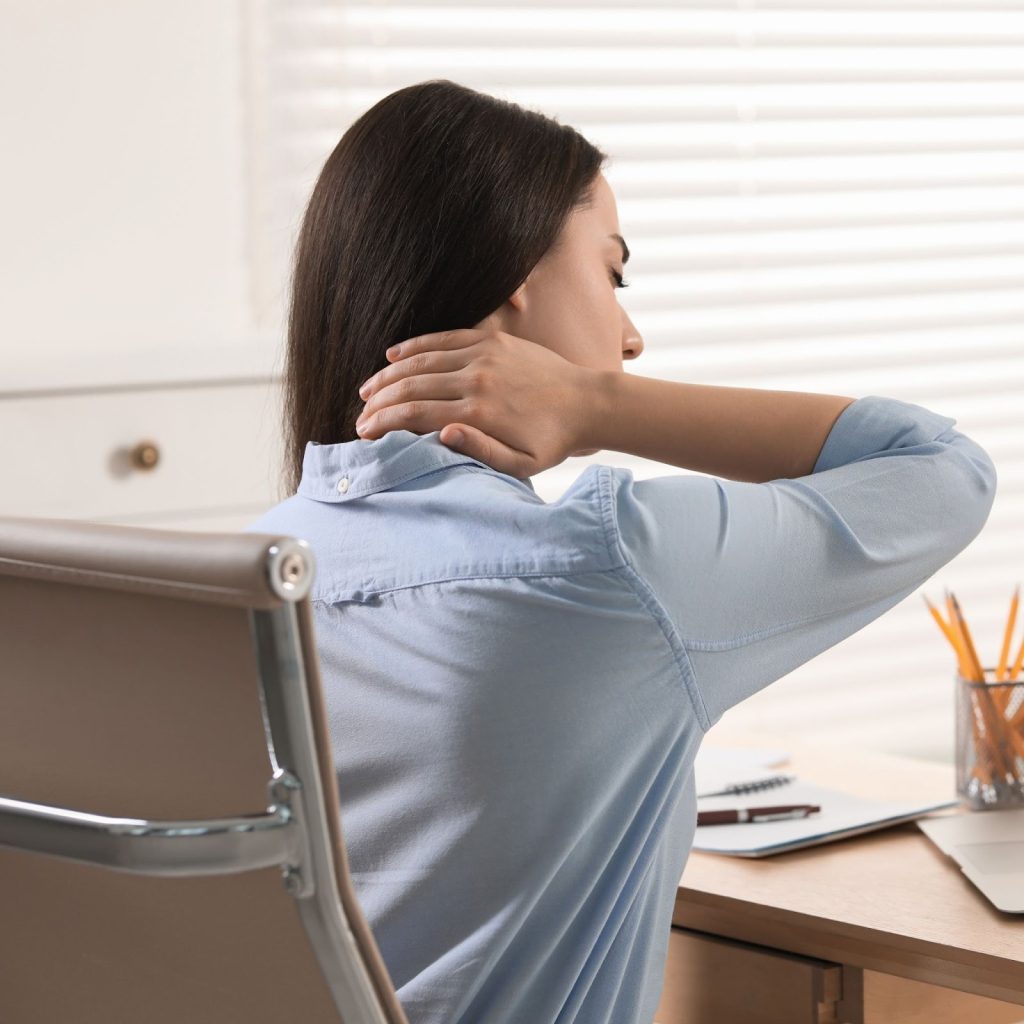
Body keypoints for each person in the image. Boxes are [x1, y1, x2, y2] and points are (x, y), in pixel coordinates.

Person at [244, 79, 998, 1024]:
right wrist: (598, 406)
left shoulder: (244, 573)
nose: (632, 336)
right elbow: (944, 467)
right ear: (518, 276)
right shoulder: (605, 567)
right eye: (613, 274)